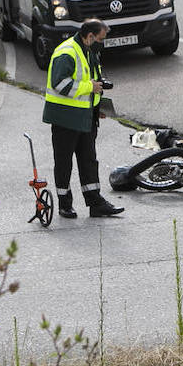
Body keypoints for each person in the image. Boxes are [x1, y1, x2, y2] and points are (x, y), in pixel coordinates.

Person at [43, 18, 125, 218]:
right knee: (64, 163)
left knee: (88, 161)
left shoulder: (89, 52)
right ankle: (64, 204)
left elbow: (92, 80)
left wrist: (97, 108)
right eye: (100, 38)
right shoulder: (67, 52)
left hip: (85, 117)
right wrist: (91, 88)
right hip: (65, 119)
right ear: (89, 37)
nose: (102, 42)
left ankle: (95, 203)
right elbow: (59, 85)